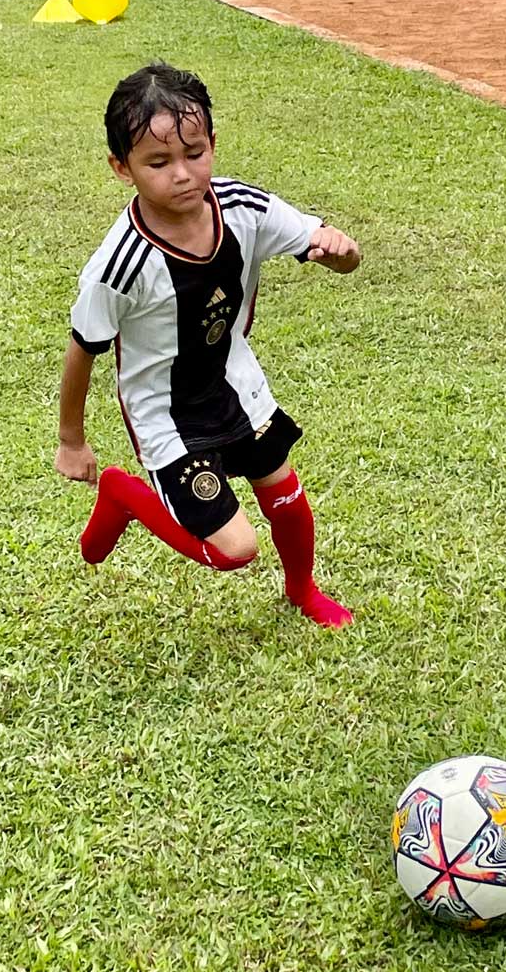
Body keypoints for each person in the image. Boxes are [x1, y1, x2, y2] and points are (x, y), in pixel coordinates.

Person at [55, 63, 360, 627]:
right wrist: (71, 440)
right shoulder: (118, 266)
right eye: (158, 162)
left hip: (235, 385)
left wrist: (341, 253)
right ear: (122, 169)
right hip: (167, 417)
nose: (182, 174)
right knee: (235, 550)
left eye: (194, 153)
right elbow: (83, 348)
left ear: (212, 143)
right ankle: (124, 494)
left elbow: (327, 246)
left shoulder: (243, 207)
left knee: (283, 486)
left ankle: (302, 591)